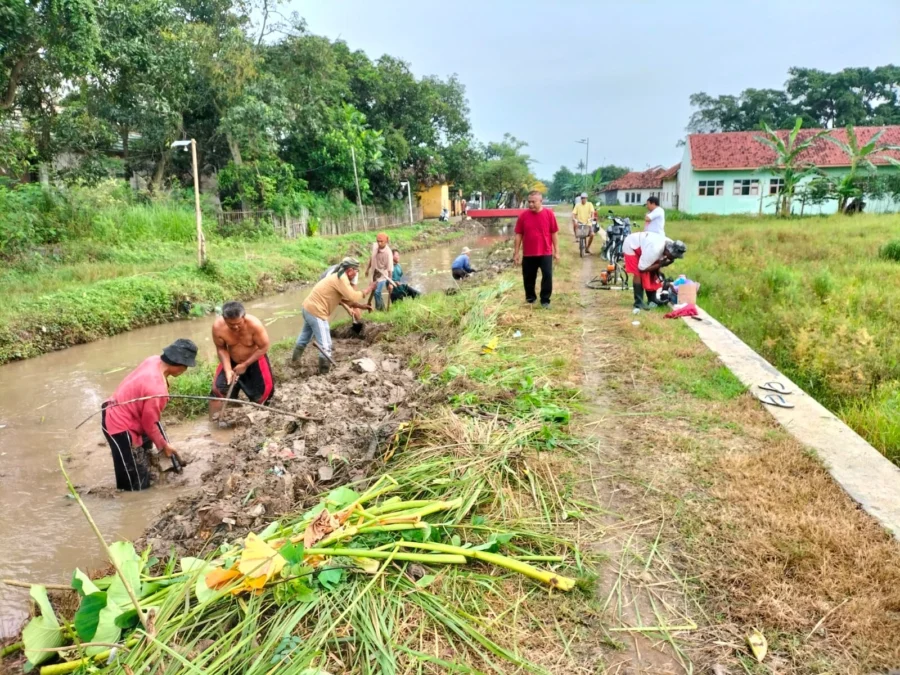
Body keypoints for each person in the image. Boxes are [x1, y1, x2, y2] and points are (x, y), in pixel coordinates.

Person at [101, 339, 197, 491]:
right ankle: (133, 501)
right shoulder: (157, 389)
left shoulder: (153, 360)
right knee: (134, 483)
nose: (185, 369)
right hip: (119, 424)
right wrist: (164, 445)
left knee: (144, 455)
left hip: (125, 410)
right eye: (186, 366)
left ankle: (146, 469)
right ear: (179, 365)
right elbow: (149, 423)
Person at [292, 258, 376, 373]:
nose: (357, 274)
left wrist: (362, 306)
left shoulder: (339, 276)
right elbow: (352, 296)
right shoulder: (342, 279)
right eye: (356, 271)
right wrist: (369, 289)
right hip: (317, 312)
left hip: (308, 308)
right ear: (350, 270)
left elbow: (346, 300)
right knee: (326, 344)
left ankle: (294, 362)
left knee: (304, 337)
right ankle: (324, 373)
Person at [209, 301, 274, 418]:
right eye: (231, 325)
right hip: (232, 359)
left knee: (264, 393)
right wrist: (228, 369)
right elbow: (221, 348)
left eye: (238, 323)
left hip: (254, 360)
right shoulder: (218, 327)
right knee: (218, 391)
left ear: (243, 317)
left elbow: (263, 347)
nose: (235, 327)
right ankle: (218, 421)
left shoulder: (255, 325)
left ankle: (261, 418)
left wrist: (245, 364)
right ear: (224, 319)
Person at [513, 191, 560, 308]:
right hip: (529, 253)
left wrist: (557, 251)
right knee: (528, 277)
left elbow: (554, 233)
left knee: (547, 276)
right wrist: (516, 252)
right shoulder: (523, 216)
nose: (531, 204)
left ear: (541, 201)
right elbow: (518, 235)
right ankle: (530, 299)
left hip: (545, 252)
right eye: (529, 202)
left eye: (533, 202)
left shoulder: (549, 214)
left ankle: (545, 300)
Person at [622, 231, 686, 310]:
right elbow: (642, 269)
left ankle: (652, 299)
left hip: (645, 245)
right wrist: (660, 265)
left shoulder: (670, 244)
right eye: (674, 256)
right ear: (668, 251)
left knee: (653, 271)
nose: (674, 258)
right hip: (632, 245)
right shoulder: (655, 249)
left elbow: (657, 263)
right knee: (638, 272)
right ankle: (638, 302)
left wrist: (658, 270)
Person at [364, 232, 393, 310]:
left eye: (381, 241)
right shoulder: (375, 246)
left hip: (382, 275)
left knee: (377, 292)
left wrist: (390, 283)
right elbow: (372, 258)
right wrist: (367, 269)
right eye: (378, 241)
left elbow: (390, 270)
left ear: (386, 241)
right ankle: (382, 308)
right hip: (374, 274)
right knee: (375, 293)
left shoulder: (388, 253)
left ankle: (379, 310)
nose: (379, 243)